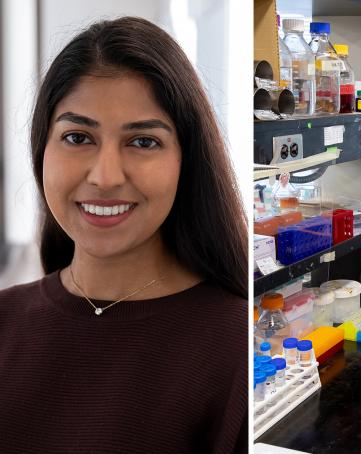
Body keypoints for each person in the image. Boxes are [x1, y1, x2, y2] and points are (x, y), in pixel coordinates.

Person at [0, 17, 247, 452]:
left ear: (186, 159)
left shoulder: (237, 348)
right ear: (41, 149)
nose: (106, 176)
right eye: (78, 137)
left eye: (143, 142)